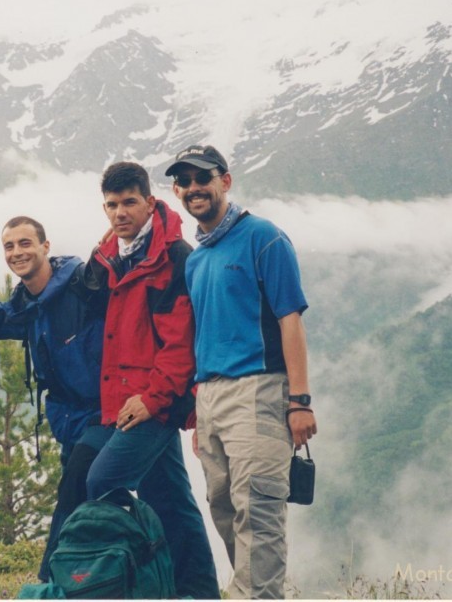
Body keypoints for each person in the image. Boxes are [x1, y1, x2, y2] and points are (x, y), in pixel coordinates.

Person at [166, 144, 317, 599]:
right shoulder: (196, 258)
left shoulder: (263, 236)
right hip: (211, 397)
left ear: (224, 181)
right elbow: (203, 335)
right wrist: (200, 410)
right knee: (224, 509)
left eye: (203, 178)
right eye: (185, 181)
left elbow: (290, 318)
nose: (195, 188)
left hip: (259, 391)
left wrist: (300, 402)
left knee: (259, 510)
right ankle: (256, 593)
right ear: (177, 190)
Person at [84, 161, 220, 600]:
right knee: (173, 502)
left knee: (102, 482)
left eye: (128, 203)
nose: (120, 213)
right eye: (111, 205)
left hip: (152, 402)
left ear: (149, 201)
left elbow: (181, 345)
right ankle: (197, 592)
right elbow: (86, 296)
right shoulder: (113, 255)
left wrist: (153, 399)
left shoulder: (172, 257)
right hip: (124, 398)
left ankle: (121, 586)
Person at [0, 216, 111, 582]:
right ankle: (104, 580)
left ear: (45, 246)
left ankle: (49, 582)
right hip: (70, 420)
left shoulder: (81, 286)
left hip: (108, 413)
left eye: (25, 243)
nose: (17, 252)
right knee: (95, 498)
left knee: (76, 493)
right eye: (9, 246)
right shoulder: (29, 305)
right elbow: (6, 319)